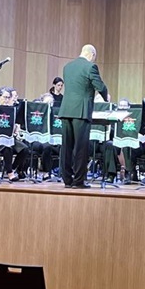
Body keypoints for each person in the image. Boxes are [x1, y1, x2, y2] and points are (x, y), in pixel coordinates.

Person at [59, 45, 108, 189]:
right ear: (92, 54)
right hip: (81, 111)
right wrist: (106, 97)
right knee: (80, 147)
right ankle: (78, 181)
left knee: (66, 146)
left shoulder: (67, 67)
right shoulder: (91, 67)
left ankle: (67, 179)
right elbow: (99, 86)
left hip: (66, 110)